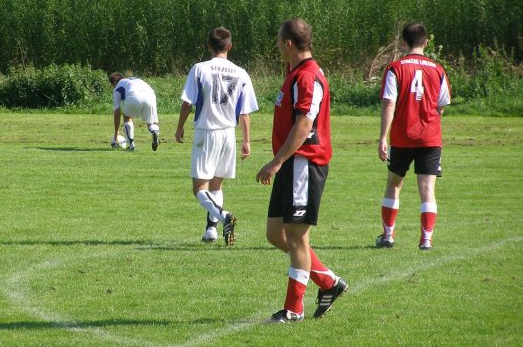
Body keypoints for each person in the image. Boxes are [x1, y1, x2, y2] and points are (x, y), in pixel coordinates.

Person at [256, 18, 347, 323]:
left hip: (303, 162)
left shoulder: (307, 77)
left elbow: (305, 124)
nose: (276, 46)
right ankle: (328, 282)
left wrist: (277, 161)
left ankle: (294, 309)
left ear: (288, 43)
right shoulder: (295, 72)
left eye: (278, 41)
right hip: (292, 163)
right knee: (276, 233)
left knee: (296, 236)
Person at [175, 27, 259, 245]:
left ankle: (224, 216)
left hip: (207, 132)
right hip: (228, 134)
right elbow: (245, 112)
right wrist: (246, 140)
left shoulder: (199, 69)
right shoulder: (241, 73)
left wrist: (180, 127)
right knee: (216, 185)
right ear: (230, 46)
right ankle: (210, 230)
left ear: (208, 46)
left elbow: (187, 102)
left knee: (199, 188)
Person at [376, 22, 451, 251]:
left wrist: (383, 137)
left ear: (403, 43)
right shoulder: (437, 69)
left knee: (394, 183)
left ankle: (388, 236)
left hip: (402, 136)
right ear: (426, 42)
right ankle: (426, 240)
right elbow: (441, 106)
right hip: (430, 137)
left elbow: (389, 103)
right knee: (427, 189)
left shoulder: (395, 68)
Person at [109, 73, 160, 152]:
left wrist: (116, 135)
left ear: (114, 82)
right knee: (151, 122)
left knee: (127, 116)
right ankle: (154, 131)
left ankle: (131, 144)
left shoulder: (117, 87)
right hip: (150, 95)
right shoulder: (130, 80)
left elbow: (117, 111)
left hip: (134, 96)